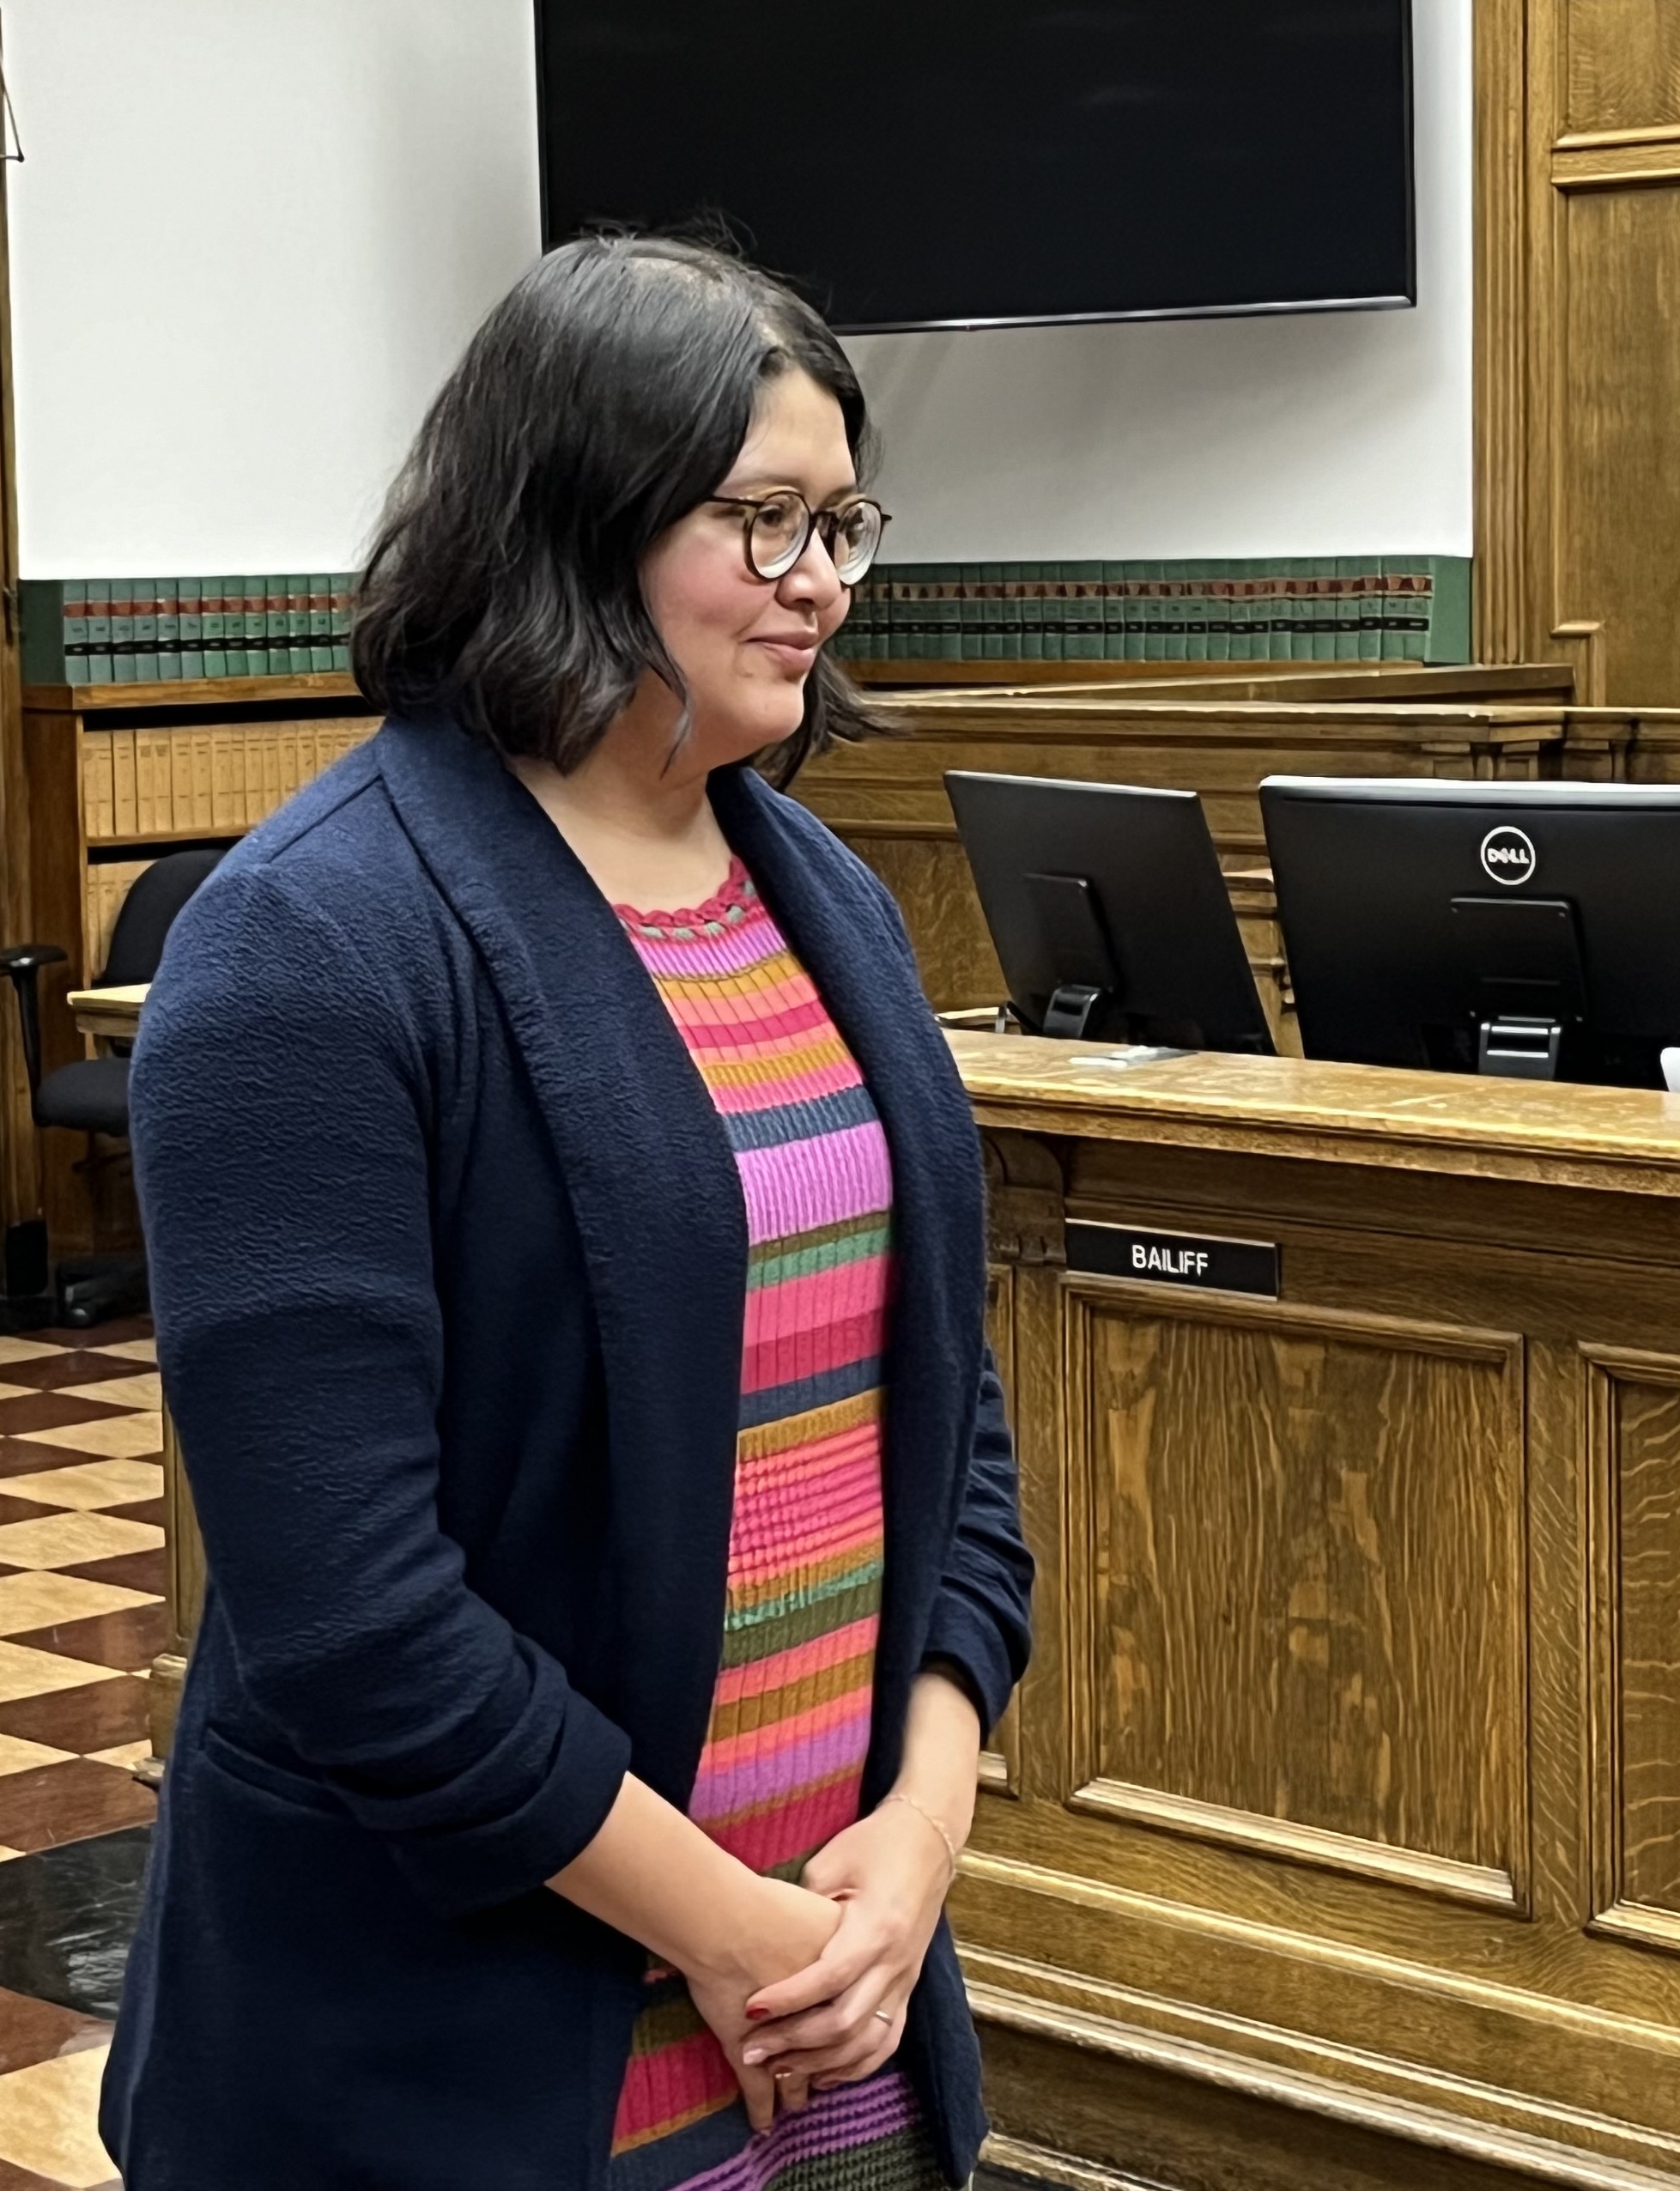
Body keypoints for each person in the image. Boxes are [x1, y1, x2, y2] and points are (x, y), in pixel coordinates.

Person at [101, 234, 1034, 2191]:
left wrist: (924, 1830)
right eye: (760, 523)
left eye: (843, 519)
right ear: (570, 524)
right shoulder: (307, 946)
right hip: (483, 2045)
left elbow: (948, 1422)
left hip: (836, 2003)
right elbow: (352, 1618)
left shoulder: (825, 900)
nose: (825, 584)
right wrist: (732, 1931)